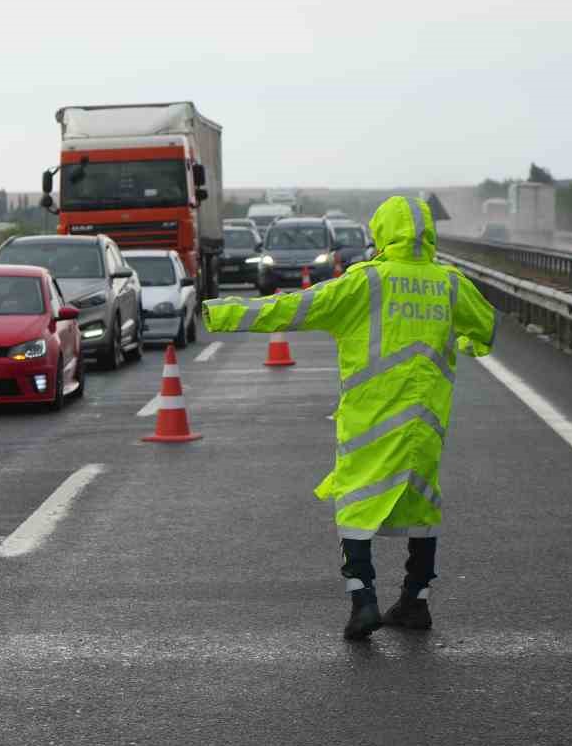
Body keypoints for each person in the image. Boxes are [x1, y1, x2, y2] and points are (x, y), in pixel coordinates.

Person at [202, 196, 498, 640]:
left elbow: (294, 308)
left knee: (355, 506)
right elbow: (486, 328)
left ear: (383, 231)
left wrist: (221, 313)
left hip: (370, 420)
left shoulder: (366, 282)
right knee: (422, 505)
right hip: (426, 421)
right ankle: (416, 601)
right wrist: (469, 345)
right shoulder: (449, 283)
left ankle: (363, 601)